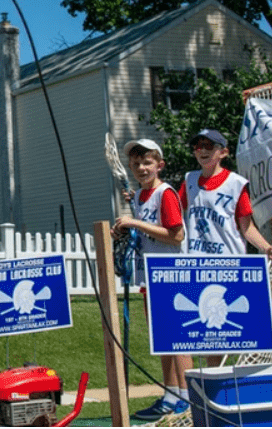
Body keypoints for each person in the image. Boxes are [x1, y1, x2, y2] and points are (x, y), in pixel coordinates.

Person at [179, 128, 272, 368]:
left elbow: (246, 227)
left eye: (210, 146)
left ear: (223, 152)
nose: (203, 150)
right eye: (199, 146)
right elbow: (175, 217)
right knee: (208, 337)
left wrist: (266, 247)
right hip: (198, 265)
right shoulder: (189, 181)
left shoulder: (236, 184)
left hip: (230, 266)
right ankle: (213, 388)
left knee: (234, 333)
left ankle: (235, 385)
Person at [111, 139, 191, 420]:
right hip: (151, 276)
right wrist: (127, 230)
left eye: (147, 162)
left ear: (159, 165)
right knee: (163, 339)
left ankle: (188, 396)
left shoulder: (164, 194)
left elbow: (176, 234)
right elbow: (147, 233)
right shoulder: (142, 197)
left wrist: (134, 223)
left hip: (171, 274)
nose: (142, 168)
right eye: (136, 164)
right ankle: (171, 393)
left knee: (178, 338)